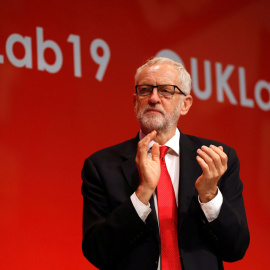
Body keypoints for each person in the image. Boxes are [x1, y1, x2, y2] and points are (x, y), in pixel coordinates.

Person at [81, 57, 250, 270]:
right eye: (145, 90)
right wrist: (142, 194)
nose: (153, 98)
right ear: (135, 102)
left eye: (165, 91)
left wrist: (209, 196)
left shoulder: (215, 160)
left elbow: (236, 249)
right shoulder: (102, 166)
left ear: (185, 104)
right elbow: (97, 251)